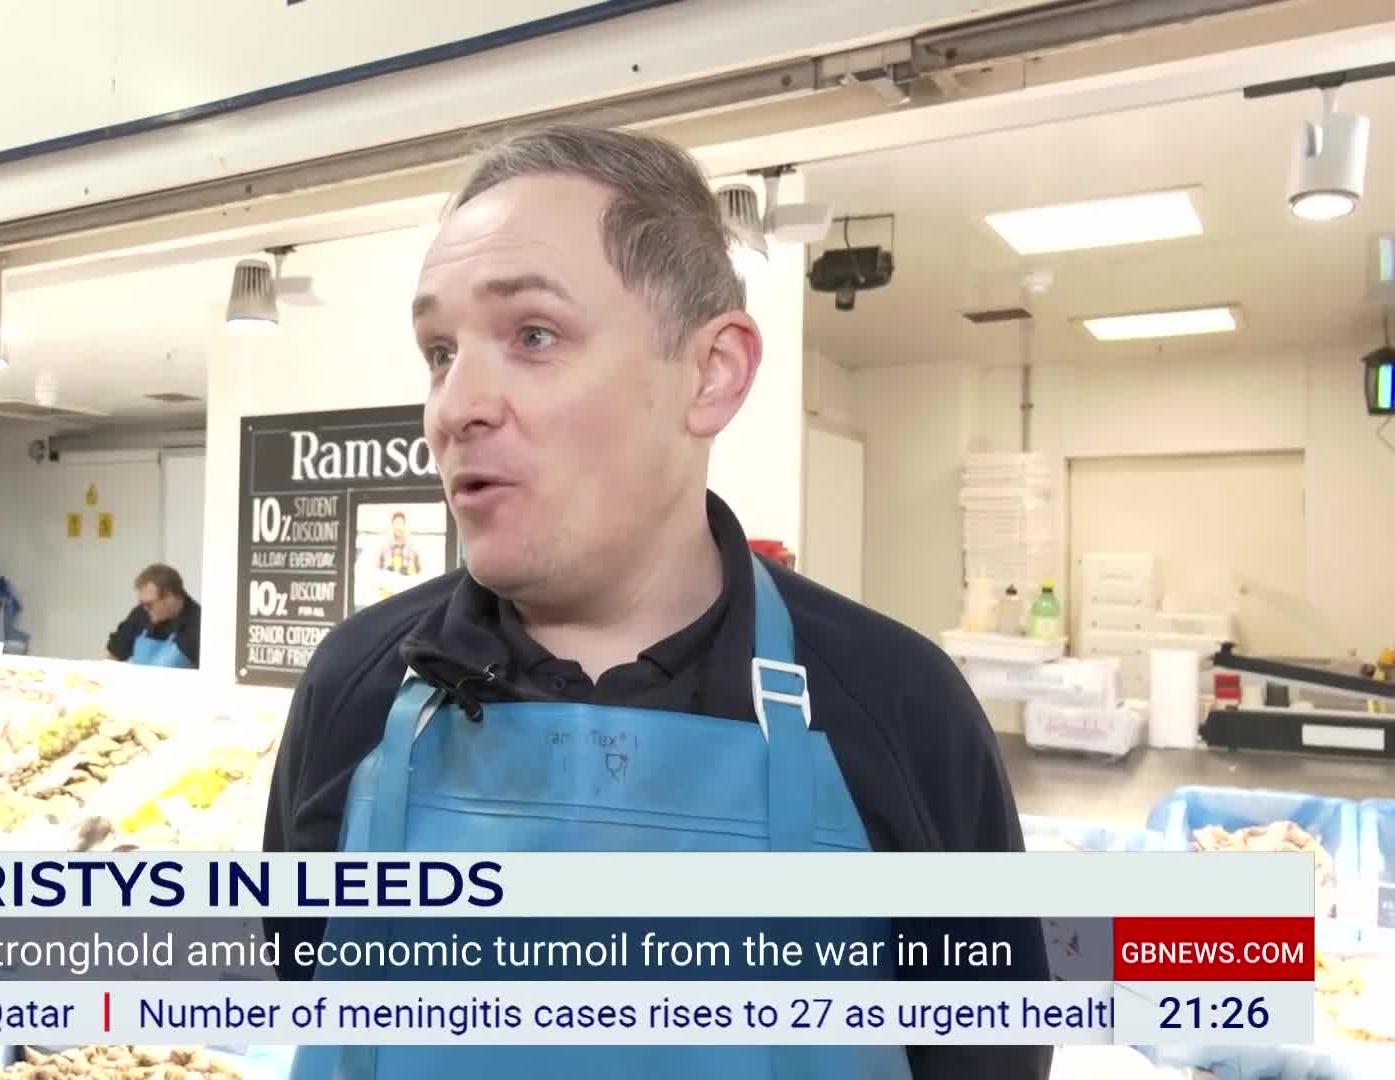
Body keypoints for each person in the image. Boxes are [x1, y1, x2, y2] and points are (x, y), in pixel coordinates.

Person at [264, 125, 1049, 1080]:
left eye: (533, 335)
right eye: (438, 351)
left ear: (711, 373)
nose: (454, 406)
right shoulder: (355, 684)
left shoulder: (898, 705)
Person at [105, 563, 201, 669]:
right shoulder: (141, 614)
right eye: (142, 604)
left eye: (149, 604)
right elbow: (114, 651)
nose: (145, 609)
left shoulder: (199, 624)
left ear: (170, 597)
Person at [375, 511, 423, 575]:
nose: (398, 527)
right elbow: (375, 569)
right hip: (387, 582)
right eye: (396, 524)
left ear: (404, 526)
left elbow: (422, 571)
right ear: (392, 526)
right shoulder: (383, 547)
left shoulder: (413, 547)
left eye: (401, 524)